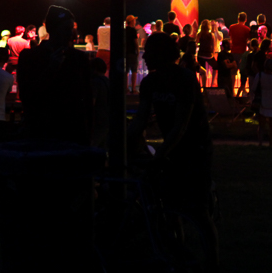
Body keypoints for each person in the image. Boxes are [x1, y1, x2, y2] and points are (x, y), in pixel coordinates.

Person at [128, 33, 218, 268]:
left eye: (148, 51)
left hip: (196, 148)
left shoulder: (185, 79)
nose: (144, 55)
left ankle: (212, 260)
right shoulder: (149, 83)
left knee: (197, 209)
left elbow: (181, 124)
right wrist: (123, 142)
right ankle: (177, 251)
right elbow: (141, 119)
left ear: (161, 54)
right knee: (168, 204)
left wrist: (159, 155)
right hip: (172, 147)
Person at [17, 5, 92, 144]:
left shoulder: (29, 56)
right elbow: (28, 95)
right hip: (56, 132)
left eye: (71, 29)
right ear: (53, 29)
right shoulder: (78, 58)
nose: (71, 33)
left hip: (45, 131)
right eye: (66, 28)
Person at [249, 58, 272, 147]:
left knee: (261, 126)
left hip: (262, 103)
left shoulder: (259, 75)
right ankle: (271, 144)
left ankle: (261, 142)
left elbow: (253, 88)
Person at [89, 58, 109, 148]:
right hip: (108, 120)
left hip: (98, 121)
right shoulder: (108, 82)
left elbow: (92, 103)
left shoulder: (94, 83)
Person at [197, 20, 216, 88]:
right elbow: (213, 46)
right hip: (209, 55)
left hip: (201, 54)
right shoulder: (211, 35)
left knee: (203, 71)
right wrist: (213, 53)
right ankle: (212, 83)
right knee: (216, 67)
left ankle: (203, 85)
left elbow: (196, 43)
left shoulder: (199, 34)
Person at [125, 15, 140, 94]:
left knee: (126, 71)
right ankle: (133, 89)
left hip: (125, 53)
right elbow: (135, 42)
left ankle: (126, 88)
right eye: (134, 20)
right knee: (134, 71)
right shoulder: (133, 30)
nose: (135, 22)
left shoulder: (124, 30)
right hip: (132, 53)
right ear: (131, 21)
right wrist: (137, 50)